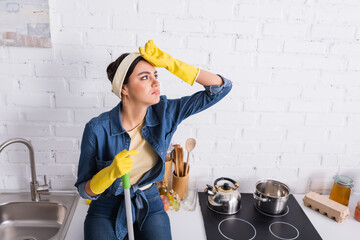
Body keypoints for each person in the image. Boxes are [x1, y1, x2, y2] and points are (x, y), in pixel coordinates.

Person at [75, 40, 232, 240]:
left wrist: (171, 63)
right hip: (106, 207)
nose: (156, 82)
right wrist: (109, 173)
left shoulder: (166, 112)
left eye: (156, 75)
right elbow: (84, 190)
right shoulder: (97, 129)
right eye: (145, 77)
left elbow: (221, 88)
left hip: (148, 200)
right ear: (124, 88)